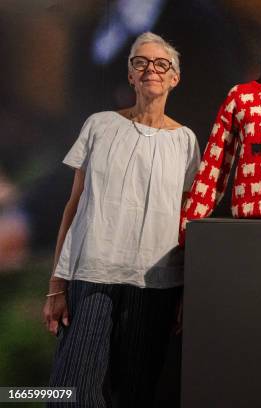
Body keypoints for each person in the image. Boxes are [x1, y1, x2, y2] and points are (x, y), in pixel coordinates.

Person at [42, 32, 200, 406]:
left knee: (135, 391)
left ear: (175, 78)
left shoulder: (186, 141)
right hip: (91, 275)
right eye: (140, 62)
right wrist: (56, 283)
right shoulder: (99, 125)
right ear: (130, 75)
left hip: (156, 284)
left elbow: (187, 218)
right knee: (71, 390)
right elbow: (73, 204)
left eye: (162, 64)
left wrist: (185, 290)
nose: (151, 70)